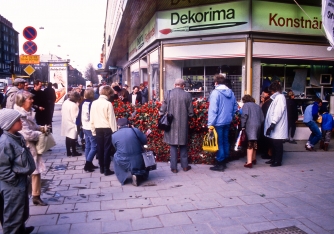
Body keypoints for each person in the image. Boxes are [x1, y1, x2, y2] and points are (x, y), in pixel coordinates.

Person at [0, 109, 35, 234]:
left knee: (21, 211)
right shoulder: (5, 142)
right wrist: (13, 181)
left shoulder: (16, 137)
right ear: (9, 124)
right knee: (12, 215)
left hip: (20, 181)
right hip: (12, 185)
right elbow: (2, 168)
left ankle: (20, 230)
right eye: (18, 120)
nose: (21, 122)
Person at [14, 90, 49, 206]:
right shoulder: (19, 115)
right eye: (30, 99)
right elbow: (26, 134)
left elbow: (33, 126)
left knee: (36, 171)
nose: (32, 101)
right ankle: (23, 198)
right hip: (25, 147)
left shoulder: (28, 112)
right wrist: (40, 134)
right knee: (28, 172)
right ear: (22, 101)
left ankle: (36, 195)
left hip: (32, 147)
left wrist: (41, 128)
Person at [160, 78, 194, 173]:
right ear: (183, 86)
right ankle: (185, 166)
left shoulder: (168, 93)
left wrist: (161, 113)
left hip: (171, 123)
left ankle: (174, 167)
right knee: (183, 144)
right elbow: (191, 112)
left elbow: (163, 108)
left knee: (173, 145)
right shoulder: (187, 95)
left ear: (175, 85)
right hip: (183, 123)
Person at [208, 74, 238, 172]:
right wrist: (230, 116)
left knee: (219, 142)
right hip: (227, 121)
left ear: (216, 83)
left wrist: (210, 125)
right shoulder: (231, 92)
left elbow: (213, 110)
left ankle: (220, 163)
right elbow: (235, 107)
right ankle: (225, 159)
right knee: (225, 140)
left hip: (218, 122)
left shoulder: (215, 93)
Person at [112, 118, 149, 186]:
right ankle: (140, 174)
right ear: (128, 124)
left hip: (123, 161)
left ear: (118, 126)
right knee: (142, 153)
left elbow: (116, 147)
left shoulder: (114, 135)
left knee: (115, 156)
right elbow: (144, 141)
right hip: (138, 160)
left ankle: (123, 178)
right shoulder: (135, 130)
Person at [90, 85, 118, 176]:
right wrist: (115, 131)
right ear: (109, 94)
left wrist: (93, 130)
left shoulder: (94, 103)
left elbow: (92, 118)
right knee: (107, 149)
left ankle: (101, 167)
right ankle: (106, 168)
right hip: (107, 128)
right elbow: (111, 119)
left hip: (98, 128)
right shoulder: (108, 104)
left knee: (100, 148)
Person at [264, 81, 288, 167]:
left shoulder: (280, 98)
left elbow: (278, 111)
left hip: (277, 126)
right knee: (273, 144)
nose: (271, 93)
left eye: (271, 91)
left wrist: (273, 123)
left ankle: (278, 161)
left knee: (277, 144)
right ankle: (274, 158)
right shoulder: (277, 98)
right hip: (275, 126)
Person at [241, 95, 264, 168]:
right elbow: (262, 118)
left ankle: (249, 162)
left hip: (250, 126)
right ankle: (253, 158)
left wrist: (243, 126)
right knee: (255, 142)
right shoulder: (257, 106)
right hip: (258, 126)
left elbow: (244, 116)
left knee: (250, 143)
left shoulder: (246, 105)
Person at [81, 88, 99, 172]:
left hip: (84, 126)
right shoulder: (92, 103)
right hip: (90, 127)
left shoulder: (83, 103)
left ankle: (89, 162)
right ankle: (87, 164)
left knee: (88, 145)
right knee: (94, 146)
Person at [61, 91, 82, 157]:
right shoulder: (74, 105)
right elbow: (75, 116)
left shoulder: (66, 102)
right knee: (73, 137)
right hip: (72, 123)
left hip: (65, 122)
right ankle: (74, 151)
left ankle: (68, 152)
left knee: (67, 137)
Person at [260, 87, 273, 159]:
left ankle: (269, 153)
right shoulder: (267, 102)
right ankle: (268, 153)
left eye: (263, 93)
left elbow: (263, 113)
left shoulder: (267, 103)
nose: (262, 95)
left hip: (266, 122)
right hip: (266, 122)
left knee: (267, 139)